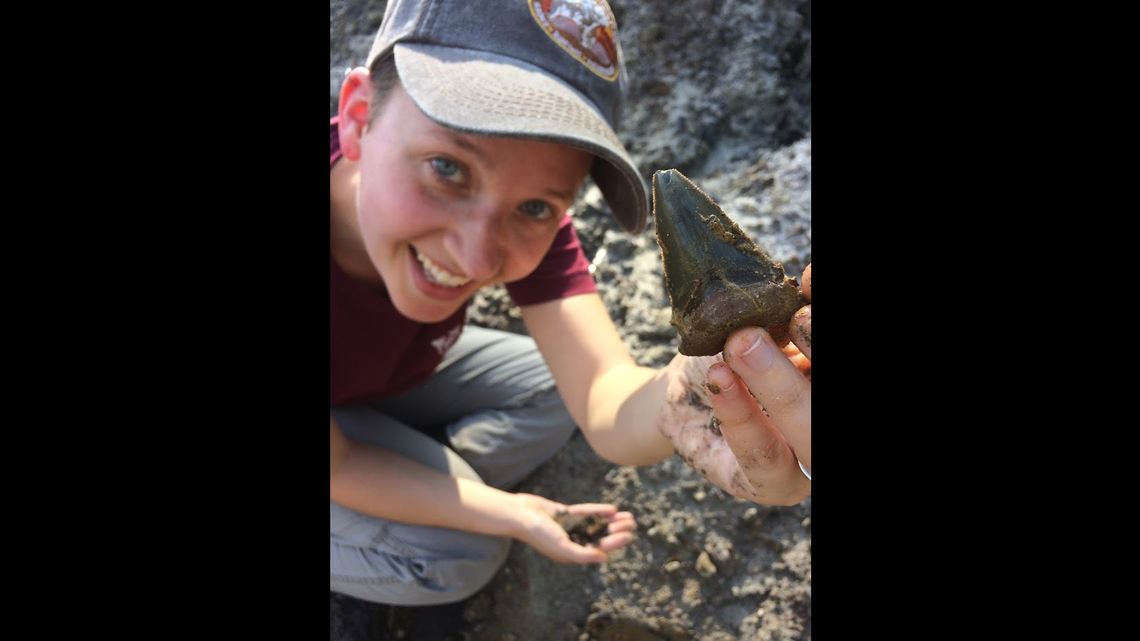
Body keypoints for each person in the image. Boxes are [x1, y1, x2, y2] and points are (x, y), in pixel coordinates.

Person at [330, 0, 811, 606]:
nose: (478, 259)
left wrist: (683, 396)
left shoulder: (520, 224)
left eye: (536, 207)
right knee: (460, 555)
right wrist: (511, 513)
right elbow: (339, 467)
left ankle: (416, 469)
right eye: (447, 168)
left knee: (548, 391)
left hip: (371, 382)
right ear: (355, 117)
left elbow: (600, 398)